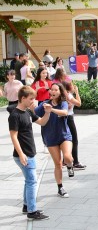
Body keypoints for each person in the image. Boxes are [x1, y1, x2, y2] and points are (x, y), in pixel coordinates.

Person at [8, 86, 51, 220]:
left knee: (29, 181)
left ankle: (26, 206)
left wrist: (48, 112)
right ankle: (32, 212)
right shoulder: (15, 115)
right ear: (23, 98)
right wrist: (21, 154)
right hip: (24, 155)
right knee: (32, 181)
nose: (34, 101)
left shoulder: (27, 112)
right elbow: (13, 136)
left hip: (29, 153)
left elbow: (42, 122)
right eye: (31, 99)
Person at [34, 83, 73, 198]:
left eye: (56, 89)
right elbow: (35, 113)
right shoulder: (44, 104)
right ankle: (60, 187)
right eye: (51, 89)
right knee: (58, 163)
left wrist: (52, 110)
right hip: (50, 137)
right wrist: (31, 107)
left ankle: (70, 165)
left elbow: (65, 113)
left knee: (67, 157)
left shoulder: (63, 103)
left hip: (64, 136)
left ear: (60, 92)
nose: (53, 91)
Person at [62, 81, 86, 170]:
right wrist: (77, 92)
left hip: (62, 118)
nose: (74, 86)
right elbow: (79, 103)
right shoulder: (69, 95)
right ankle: (75, 162)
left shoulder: (62, 95)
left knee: (65, 139)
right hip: (69, 118)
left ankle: (65, 160)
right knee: (74, 140)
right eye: (72, 85)